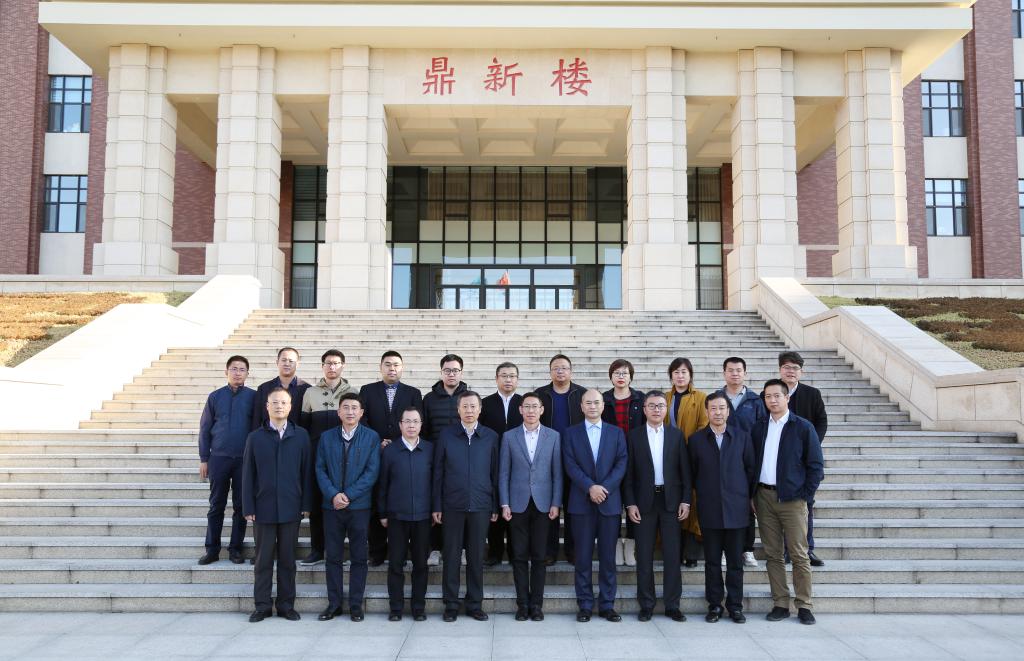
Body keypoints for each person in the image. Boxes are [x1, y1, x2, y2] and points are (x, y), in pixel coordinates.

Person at [752, 379, 824, 625]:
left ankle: (804, 605)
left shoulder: (802, 427)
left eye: (777, 396)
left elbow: (816, 466)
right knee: (773, 554)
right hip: (764, 497)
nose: (772, 400)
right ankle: (780, 603)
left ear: (787, 398)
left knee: (799, 554)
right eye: (768, 396)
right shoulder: (759, 427)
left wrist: (805, 495)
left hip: (793, 500)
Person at [241, 387, 313, 622]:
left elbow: (306, 472)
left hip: (291, 507)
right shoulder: (255, 437)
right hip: (263, 508)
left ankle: (286, 605)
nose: (279, 406)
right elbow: (247, 475)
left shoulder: (301, 436)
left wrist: (306, 503)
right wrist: (248, 507)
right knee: (262, 560)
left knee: (287, 560)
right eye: (275, 402)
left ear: (290, 407)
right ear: (267, 406)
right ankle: (262, 606)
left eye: (283, 402)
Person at [688, 391, 757, 624]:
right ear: (707, 412)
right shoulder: (696, 440)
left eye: (722, 408)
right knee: (712, 562)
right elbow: (692, 473)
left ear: (728, 411)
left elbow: (750, 470)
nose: (717, 412)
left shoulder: (742, 437)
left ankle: (735, 606)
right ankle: (715, 605)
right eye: (713, 409)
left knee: (735, 563)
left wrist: (746, 497)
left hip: (737, 510)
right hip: (709, 510)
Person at [623, 391, 691, 622]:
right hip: (644, 503)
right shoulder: (633, 436)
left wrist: (686, 500)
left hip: (671, 502)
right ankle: (647, 604)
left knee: (672, 555)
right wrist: (630, 503)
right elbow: (628, 474)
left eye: (661, 405)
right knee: (644, 556)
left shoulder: (676, 435)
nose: (656, 410)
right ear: (644, 410)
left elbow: (685, 471)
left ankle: (672, 605)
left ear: (665, 409)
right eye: (651, 406)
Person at [432, 391, 500, 622]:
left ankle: (474, 604)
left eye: (473, 406)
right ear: (458, 409)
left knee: (476, 557)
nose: (469, 410)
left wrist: (494, 505)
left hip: (481, 505)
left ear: (480, 409)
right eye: (465, 406)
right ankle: (451, 604)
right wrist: (437, 504)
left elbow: (495, 473)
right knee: (451, 556)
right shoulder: (446, 435)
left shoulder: (490, 436)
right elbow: (438, 472)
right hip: (452, 505)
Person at [562, 388, 627, 623]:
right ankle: (585, 605)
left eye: (596, 402)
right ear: (581, 406)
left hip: (609, 503)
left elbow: (621, 463)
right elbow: (570, 464)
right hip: (581, 503)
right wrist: (590, 487)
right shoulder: (570, 433)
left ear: (602, 405)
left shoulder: (616, 433)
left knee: (608, 558)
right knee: (582, 558)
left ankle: (607, 605)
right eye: (588, 403)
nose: (592, 406)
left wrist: (603, 488)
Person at [315, 392, 380, 622]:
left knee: (359, 557)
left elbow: (372, 472)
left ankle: (355, 605)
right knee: (333, 557)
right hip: (331, 507)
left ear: (361, 413)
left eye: (354, 408)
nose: (350, 412)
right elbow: (320, 469)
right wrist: (333, 494)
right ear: (339, 412)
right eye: (346, 407)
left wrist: (349, 495)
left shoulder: (371, 437)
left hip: (359, 507)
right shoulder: (326, 437)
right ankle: (334, 604)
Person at [499, 391, 562, 622]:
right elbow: (504, 473)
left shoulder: (553, 436)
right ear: (520, 410)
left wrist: (556, 502)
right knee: (518, 556)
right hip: (517, 504)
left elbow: (557, 473)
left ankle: (536, 605)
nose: (531, 410)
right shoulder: (509, 437)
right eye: (527, 406)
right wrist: (504, 502)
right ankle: (522, 605)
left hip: (544, 504)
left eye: (535, 406)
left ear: (542, 410)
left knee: (539, 556)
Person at [360, 351, 424, 566]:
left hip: (402, 453)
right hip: (375, 452)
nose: (392, 368)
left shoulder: (413, 393)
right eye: (388, 364)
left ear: (402, 368)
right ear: (381, 367)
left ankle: (401, 553)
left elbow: (416, 420)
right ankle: (377, 552)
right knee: (377, 499)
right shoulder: (367, 390)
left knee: (399, 500)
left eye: (396, 364)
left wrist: (398, 443)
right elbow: (363, 418)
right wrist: (377, 441)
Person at [299, 349, 358, 566]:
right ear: (322, 366)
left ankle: (340, 550)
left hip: (345, 456)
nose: (332, 367)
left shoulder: (352, 391)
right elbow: (304, 426)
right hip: (317, 455)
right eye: (328, 363)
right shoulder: (310, 393)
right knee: (317, 503)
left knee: (343, 502)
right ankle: (317, 549)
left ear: (343, 365)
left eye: (336, 363)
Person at [198, 355, 256, 566]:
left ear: (247, 373)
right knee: (216, 505)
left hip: (244, 460)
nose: (237, 372)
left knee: (241, 506)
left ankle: (235, 549)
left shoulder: (254, 397)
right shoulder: (215, 397)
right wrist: (204, 458)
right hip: (219, 458)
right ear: (226, 371)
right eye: (234, 368)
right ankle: (212, 549)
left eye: (242, 369)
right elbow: (205, 429)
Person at [377, 407, 433, 621]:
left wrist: (435, 509)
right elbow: (382, 484)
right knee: (396, 564)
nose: (411, 425)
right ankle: (396, 609)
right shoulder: (390, 451)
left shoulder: (429, 449)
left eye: (415, 421)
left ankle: (418, 608)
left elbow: (436, 483)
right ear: (400, 425)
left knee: (421, 564)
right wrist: (383, 512)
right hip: (397, 516)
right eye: (407, 421)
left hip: (423, 517)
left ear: (421, 425)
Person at [777, 351, 828, 567]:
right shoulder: (771, 393)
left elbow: (822, 421)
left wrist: (811, 446)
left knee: (806, 504)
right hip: (780, 462)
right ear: (780, 370)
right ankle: (785, 549)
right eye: (787, 367)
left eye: (795, 368)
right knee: (780, 506)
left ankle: (807, 549)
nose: (791, 371)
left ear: (801, 372)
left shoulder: (812, 394)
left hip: (805, 462)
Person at [536, 354, 587, 565]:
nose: (560, 371)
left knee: (573, 506)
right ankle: (550, 551)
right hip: (547, 457)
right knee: (550, 506)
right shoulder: (541, 394)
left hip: (575, 457)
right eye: (556, 368)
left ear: (571, 371)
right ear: (550, 372)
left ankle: (573, 550)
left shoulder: (582, 394)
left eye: (564, 368)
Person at [719, 356, 766, 569]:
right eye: (730, 370)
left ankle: (747, 549)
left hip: (747, 460)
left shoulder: (755, 401)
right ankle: (724, 549)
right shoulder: (717, 398)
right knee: (721, 505)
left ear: (745, 373)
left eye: (739, 370)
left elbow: (761, 431)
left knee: (747, 505)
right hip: (721, 459)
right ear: (724, 373)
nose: (735, 374)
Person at [664, 357, 708, 568]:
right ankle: (673, 549)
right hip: (667, 458)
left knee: (692, 501)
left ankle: (691, 553)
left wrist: (688, 449)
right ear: (671, 376)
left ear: (690, 375)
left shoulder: (700, 398)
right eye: (676, 372)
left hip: (691, 456)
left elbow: (703, 426)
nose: (680, 376)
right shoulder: (665, 398)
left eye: (684, 372)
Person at [480, 362, 523, 566]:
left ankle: (515, 552)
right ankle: (495, 552)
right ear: (496, 378)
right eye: (504, 376)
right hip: (492, 460)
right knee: (495, 505)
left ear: (517, 380)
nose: (508, 379)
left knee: (515, 506)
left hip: (519, 462)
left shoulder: (524, 403)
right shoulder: (485, 403)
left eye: (512, 376)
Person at [601, 359, 644, 566]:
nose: (621, 376)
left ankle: (631, 545)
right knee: (613, 502)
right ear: (611, 376)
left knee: (635, 500)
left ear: (631, 377)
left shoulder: (640, 399)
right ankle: (617, 543)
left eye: (625, 373)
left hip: (636, 457)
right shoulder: (603, 399)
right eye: (617, 373)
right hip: (611, 458)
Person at [252, 347, 311, 430]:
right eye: (284, 360)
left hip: (297, 436)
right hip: (269, 435)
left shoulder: (307, 389)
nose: (287, 364)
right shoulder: (263, 389)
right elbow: (257, 419)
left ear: (297, 364)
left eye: (291, 361)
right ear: (277, 362)